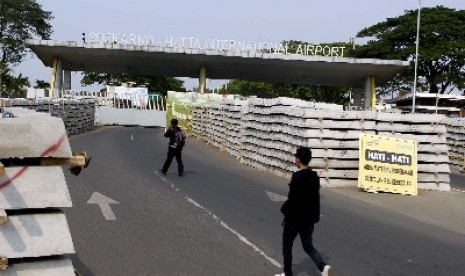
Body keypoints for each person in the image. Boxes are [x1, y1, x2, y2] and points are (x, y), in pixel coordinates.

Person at [275, 147, 332, 276]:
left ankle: (287, 273)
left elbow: (292, 199)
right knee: (308, 246)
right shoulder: (314, 176)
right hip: (308, 219)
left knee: (287, 245)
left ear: (298, 160)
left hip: (294, 219)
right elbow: (315, 199)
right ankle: (323, 267)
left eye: (296, 158)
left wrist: (284, 209)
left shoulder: (297, 177)